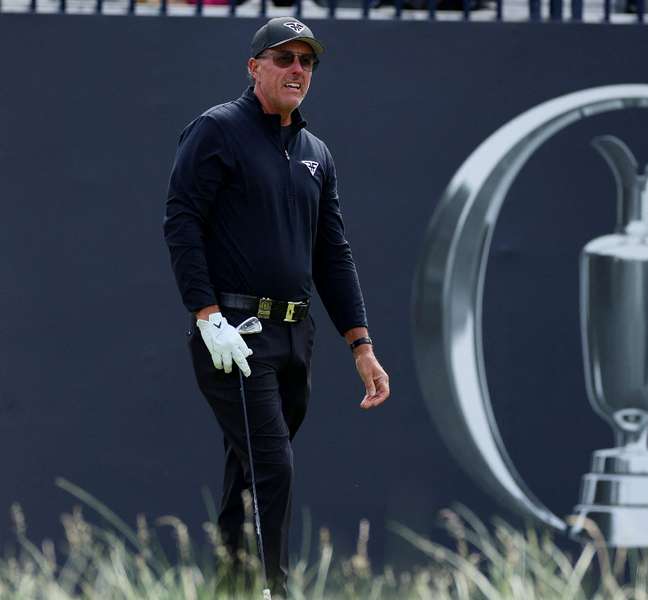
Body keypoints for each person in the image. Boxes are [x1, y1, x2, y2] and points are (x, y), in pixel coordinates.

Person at [163, 17, 390, 596]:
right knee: (272, 466)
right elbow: (182, 222)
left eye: (306, 62)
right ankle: (273, 590)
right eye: (283, 58)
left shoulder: (316, 153)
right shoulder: (217, 131)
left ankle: (232, 588)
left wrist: (361, 346)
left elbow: (332, 254)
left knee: (249, 473)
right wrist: (205, 316)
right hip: (233, 330)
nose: (296, 70)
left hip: (295, 334)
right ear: (254, 66)